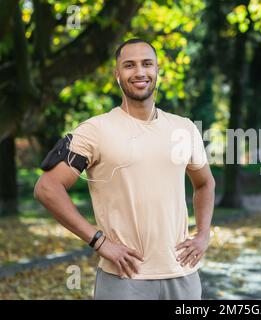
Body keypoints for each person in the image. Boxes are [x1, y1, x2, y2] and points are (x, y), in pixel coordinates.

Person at [34, 38, 215, 300]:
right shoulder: (94, 130)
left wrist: (204, 235)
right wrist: (99, 242)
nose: (140, 72)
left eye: (147, 64)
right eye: (129, 65)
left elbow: (205, 183)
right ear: (117, 74)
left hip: (183, 275)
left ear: (157, 71)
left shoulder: (184, 128)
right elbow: (47, 188)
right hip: (124, 278)